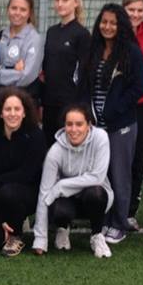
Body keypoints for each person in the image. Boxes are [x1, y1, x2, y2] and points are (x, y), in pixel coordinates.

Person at [80, 4, 143, 245]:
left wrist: (116, 108)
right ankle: (103, 220)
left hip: (121, 126)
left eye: (113, 23)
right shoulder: (93, 49)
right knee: (101, 175)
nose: (107, 27)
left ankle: (119, 223)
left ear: (121, 26)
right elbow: (85, 85)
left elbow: (140, 87)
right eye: (104, 22)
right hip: (96, 127)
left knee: (119, 175)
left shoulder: (130, 51)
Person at [32, 104, 114, 259]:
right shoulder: (55, 152)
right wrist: (40, 240)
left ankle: (97, 235)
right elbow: (44, 193)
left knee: (95, 193)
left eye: (79, 124)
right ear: (64, 126)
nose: (74, 129)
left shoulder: (101, 138)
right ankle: (62, 228)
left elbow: (97, 177)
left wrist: (61, 186)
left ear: (89, 125)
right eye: (69, 124)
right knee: (58, 208)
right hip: (68, 201)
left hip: (93, 198)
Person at [0, 87, 46, 256]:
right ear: (0, 113)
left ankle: (16, 234)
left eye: (17, 109)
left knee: (9, 192)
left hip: (26, 192)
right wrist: (0, 218)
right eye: (7, 109)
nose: (12, 113)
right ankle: (7, 222)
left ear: (24, 113)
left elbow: (27, 175)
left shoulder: (35, 135)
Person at [41, 0, 91, 148]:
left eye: (65, 0)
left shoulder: (82, 34)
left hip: (69, 104)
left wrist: (78, 106)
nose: (60, 4)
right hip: (49, 103)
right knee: (49, 147)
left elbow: (84, 73)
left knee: (67, 147)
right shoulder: (52, 32)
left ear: (76, 2)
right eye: (57, 0)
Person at [123, 0, 143, 231]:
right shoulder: (111, 34)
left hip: (142, 106)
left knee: (137, 159)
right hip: (116, 108)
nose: (135, 14)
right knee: (114, 159)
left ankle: (130, 210)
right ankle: (113, 207)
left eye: (139, 10)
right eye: (131, 9)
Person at [0, 0, 44, 102]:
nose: (17, 13)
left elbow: (26, 76)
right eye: (14, 8)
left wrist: (0, 72)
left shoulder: (35, 39)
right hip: (0, 99)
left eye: (23, 10)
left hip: (24, 102)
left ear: (30, 13)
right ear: (8, 9)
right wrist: (14, 70)